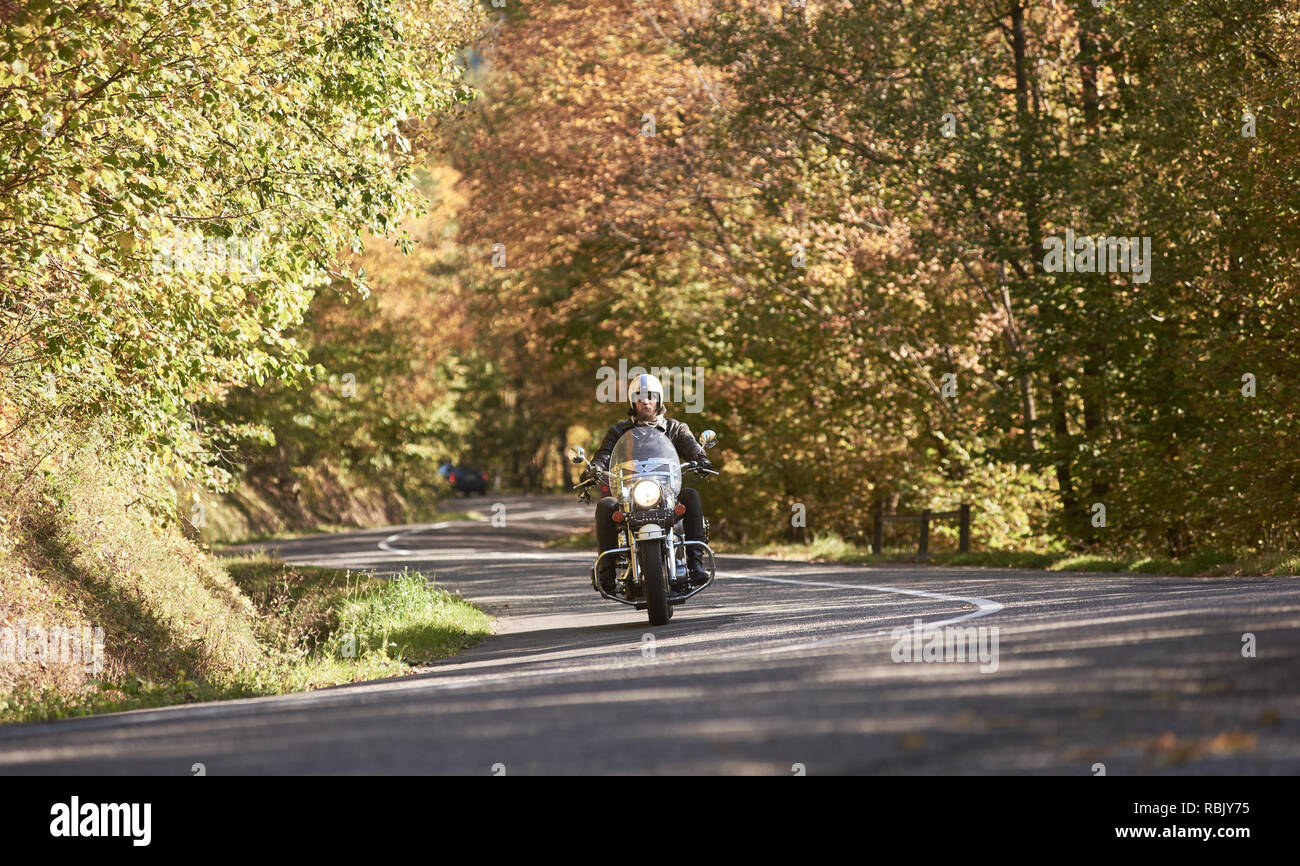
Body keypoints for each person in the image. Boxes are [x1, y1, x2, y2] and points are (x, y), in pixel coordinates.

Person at [582, 372, 714, 593]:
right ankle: (606, 573)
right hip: (630, 496)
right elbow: (604, 455)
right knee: (605, 505)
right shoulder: (618, 431)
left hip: (667, 494)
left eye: (651, 396)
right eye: (640, 396)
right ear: (633, 401)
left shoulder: (675, 428)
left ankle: (695, 564)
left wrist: (701, 459)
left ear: (659, 399)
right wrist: (594, 468)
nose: (645, 400)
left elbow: (691, 447)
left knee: (691, 496)